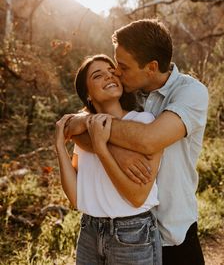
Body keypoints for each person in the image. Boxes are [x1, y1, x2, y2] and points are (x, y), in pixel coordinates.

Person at [65, 19, 209, 265]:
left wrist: (93, 128)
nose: (117, 73)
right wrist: (114, 150)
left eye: (123, 67)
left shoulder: (191, 93)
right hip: (124, 232)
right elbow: (75, 126)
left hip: (172, 230)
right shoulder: (128, 92)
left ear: (151, 67)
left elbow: (148, 139)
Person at [55, 54, 163, 265]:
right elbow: (77, 199)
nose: (109, 77)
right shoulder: (82, 132)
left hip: (134, 235)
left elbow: (137, 197)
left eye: (112, 72)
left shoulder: (143, 123)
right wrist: (60, 146)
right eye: (98, 75)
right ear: (87, 94)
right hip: (89, 232)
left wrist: (102, 149)